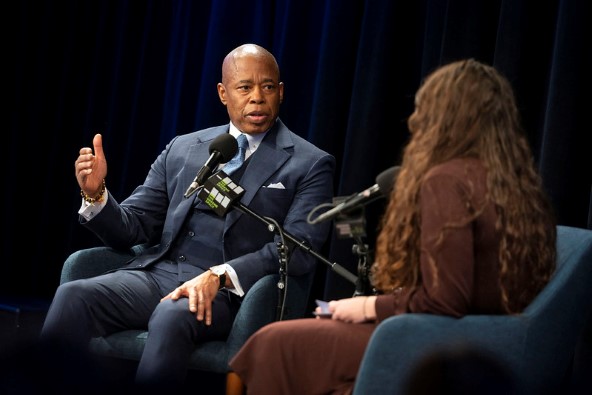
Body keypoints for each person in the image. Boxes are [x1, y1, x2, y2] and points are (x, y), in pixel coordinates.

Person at [228, 58, 557, 394]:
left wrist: (367, 307)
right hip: (484, 342)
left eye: (424, 108)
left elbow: (446, 301)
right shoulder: (516, 184)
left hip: (433, 343)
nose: (416, 120)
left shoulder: (446, 180)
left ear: (444, 118)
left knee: (272, 343)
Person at [40, 43, 336, 390]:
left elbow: (299, 247)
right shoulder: (186, 147)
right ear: (223, 93)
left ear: (280, 92)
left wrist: (221, 276)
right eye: (245, 87)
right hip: (159, 274)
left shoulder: (309, 162)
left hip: (231, 293)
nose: (258, 97)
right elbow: (134, 226)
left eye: (268, 87)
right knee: (73, 295)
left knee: (172, 314)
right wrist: (96, 193)